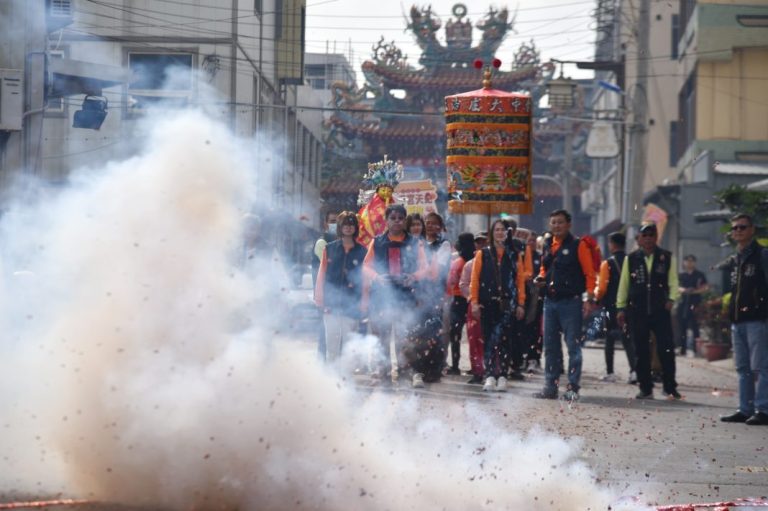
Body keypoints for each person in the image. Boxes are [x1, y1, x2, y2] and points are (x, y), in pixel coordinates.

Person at [362, 203, 430, 387]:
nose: (397, 222)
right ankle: (382, 373)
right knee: (382, 337)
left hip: (405, 296)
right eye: (393, 218)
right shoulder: (377, 242)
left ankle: (407, 373)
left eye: (400, 218)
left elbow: (425, 268)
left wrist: (413, 277)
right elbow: (366, 267)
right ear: (386, 221)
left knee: (405, 336)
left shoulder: (415, 243)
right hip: (382, 297)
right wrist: (377, 277)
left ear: (404, 220)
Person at [533, 209, 597, 401]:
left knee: (573, 347)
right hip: (550, 302)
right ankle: (550, 386)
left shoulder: (579, 245)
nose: (556, 226)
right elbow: (545, 268)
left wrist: (589, 298)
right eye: (553, 223)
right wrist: (540, 278)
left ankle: (572, 387)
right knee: (550, 347)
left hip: (572, 303)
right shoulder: (547, 244)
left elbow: (589, 274)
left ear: (569, 224)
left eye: (560, 222)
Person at [616, 222, 681, 400]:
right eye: (644, 235)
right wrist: (620, 307)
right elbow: (624, 285)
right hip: (637, 311)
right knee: (641, 350)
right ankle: (645, 388)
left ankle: (669, 387)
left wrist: (672, 299)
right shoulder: (631, 259)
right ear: (639, 238)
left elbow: (673, 281)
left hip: (661, 310)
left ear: (656, 237)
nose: (648, 238)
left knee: (666, 349)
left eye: (651, 235)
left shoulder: (666, 257)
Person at [719, 214, 768, 426]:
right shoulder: (735, 258)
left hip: (758, 320)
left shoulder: (762, 255)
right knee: (742, 367)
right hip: (737, 321)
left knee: (762, 367)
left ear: (752, 230)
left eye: (742, 227)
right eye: (735, 228)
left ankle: (763, 409)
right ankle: (745, 408)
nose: (738, 231)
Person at [470, 219, 527, 392]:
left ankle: (502, 374)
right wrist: (474, 302)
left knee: (505, 340)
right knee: (488, 340)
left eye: (503, 230)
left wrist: (521, 303)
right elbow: (475, 279)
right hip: (488, 303)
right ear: (492, 233)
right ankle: (489, 375)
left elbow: (520, 281)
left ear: (507, 233)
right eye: (497, 230)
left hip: (508, 303)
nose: (500, 233)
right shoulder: (483, 254)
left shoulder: (514, 254)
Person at [314, 212, 366, 363]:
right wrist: (319, 299)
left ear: (356, 227)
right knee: (331, 344)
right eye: (345, 224)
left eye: (351, 224)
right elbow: (321, 274)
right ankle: (331, 379)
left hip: (352, 305)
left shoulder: (362, 251)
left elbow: (365, 280)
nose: (348, 227)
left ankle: (345, 378)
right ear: (340, 227)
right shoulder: (329, 248)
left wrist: (364, 302)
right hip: (331, 303)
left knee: (349, 346)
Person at [594, 232, 637, 384]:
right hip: (629, 306)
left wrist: (596, 299)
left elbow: (602, 288)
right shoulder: (631, 261)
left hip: (611, 307)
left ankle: (610, 372)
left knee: (610, 340)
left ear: (612, 244)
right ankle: (634, 372)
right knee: (628, 339)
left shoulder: (608, 263)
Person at [459, 232, 488, 383]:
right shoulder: (469, 264)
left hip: (491, 305)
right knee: (474, 339)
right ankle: (477, 370)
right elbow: (463, 284)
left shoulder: (493, 263)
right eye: (478, 242)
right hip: (474, 305)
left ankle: (491, 370)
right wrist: (473, 298)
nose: (481, 245)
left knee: (490, 338)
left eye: (484, 242)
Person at [446, 233, 475, 376]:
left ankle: (455, 365)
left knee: (455, 335)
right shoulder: (473, 261)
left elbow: (451, 281)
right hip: (469, 300)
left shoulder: (459, 262)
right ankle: (475, 365)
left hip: (457, 300)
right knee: (472, 334)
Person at [312, 211, 338, 360]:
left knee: (334, 330)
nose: (335, 224)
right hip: (324, 293)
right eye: (332, 221)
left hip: (334, 293)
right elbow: (331, 266)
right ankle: (322, 362)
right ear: (326, 224)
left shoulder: (339, 241)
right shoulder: (322, 243)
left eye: (337, 221)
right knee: (324, 330)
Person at [677, 254, 709, 357]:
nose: (689, 263)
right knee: (682, 327)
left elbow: (705, 287)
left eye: (692, 261)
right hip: (683, 303)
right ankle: (682, 349)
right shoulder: (681, 275)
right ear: (684, 262)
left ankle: (696, 350)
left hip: (696, 303)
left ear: (695, 262)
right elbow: (677, 287)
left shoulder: (699, 275)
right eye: (687, 261)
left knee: (695, 327)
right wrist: (685, 291)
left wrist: (695, 291)